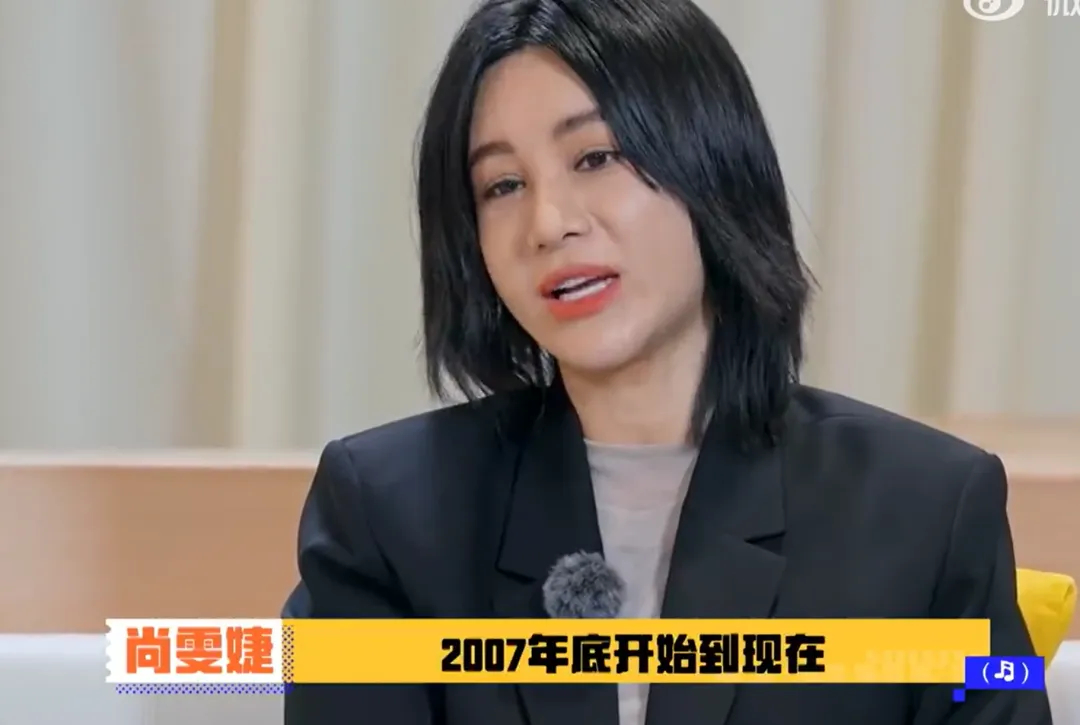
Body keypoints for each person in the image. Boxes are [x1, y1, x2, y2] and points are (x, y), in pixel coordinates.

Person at [282, 0, 1052, 723]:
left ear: (713, 164)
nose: (548, 222)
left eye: (595, 157)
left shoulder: (926, 508)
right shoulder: (390, 513)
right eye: (503, 184)